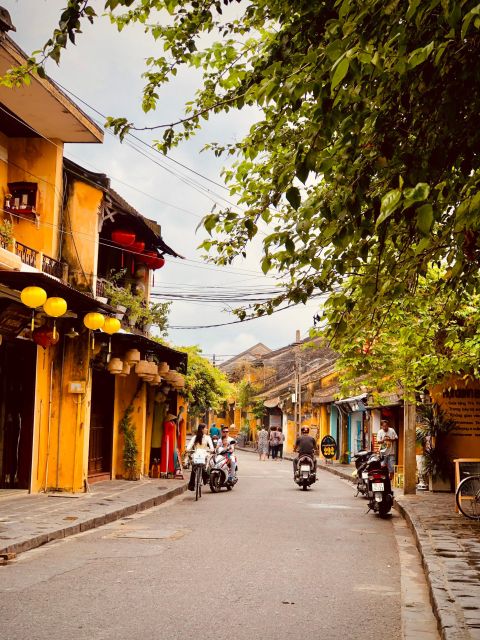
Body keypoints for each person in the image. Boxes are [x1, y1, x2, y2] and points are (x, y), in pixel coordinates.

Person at [186, 423, 214, 491]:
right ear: (202, 429)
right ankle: (192, 485)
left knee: (204, 466)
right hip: (196, 454)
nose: (207, 429)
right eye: (205, 428)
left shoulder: (207, 438)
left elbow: (211, 447)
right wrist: (187, 449)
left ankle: (206, 478)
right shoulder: (195, 437)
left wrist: (212, 450)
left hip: (204, 454)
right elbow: (189, 445)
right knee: (194, 467)